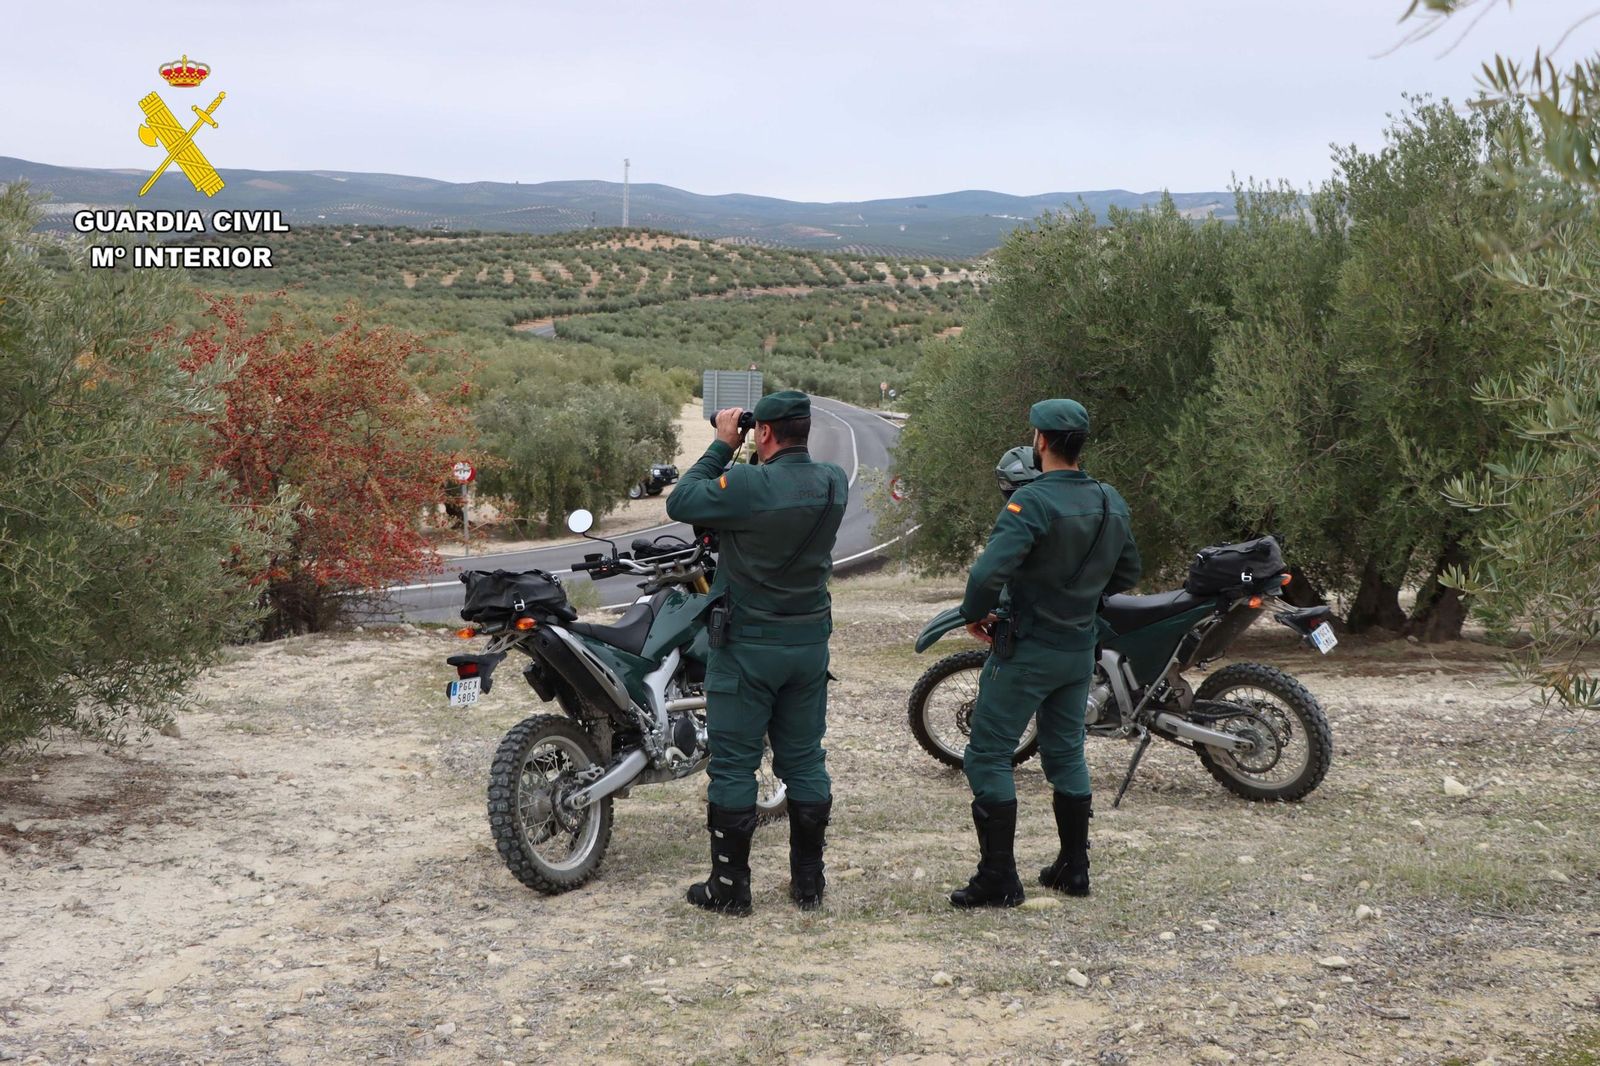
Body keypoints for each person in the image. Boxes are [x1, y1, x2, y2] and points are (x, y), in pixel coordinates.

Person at [949, 398, 1142, 909]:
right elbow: (1126, 575)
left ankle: (998, 878)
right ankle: (1073, 868)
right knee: (1066, 754)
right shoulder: (1109, 499)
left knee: (988, 754)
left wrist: (976, 611)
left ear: (1039, 441)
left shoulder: (1030, 502)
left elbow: (986, 574)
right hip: (1078, 651)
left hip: (1027, 649)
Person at [665, 390, 849, 916]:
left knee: (733, 766)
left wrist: (724, 443)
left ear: (763, 432)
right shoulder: (833, 482)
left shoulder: (745, 484)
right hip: (808, 644)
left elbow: (683, 502)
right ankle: (808, 884)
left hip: (747, 648)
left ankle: (730, 887)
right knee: (805, 759)